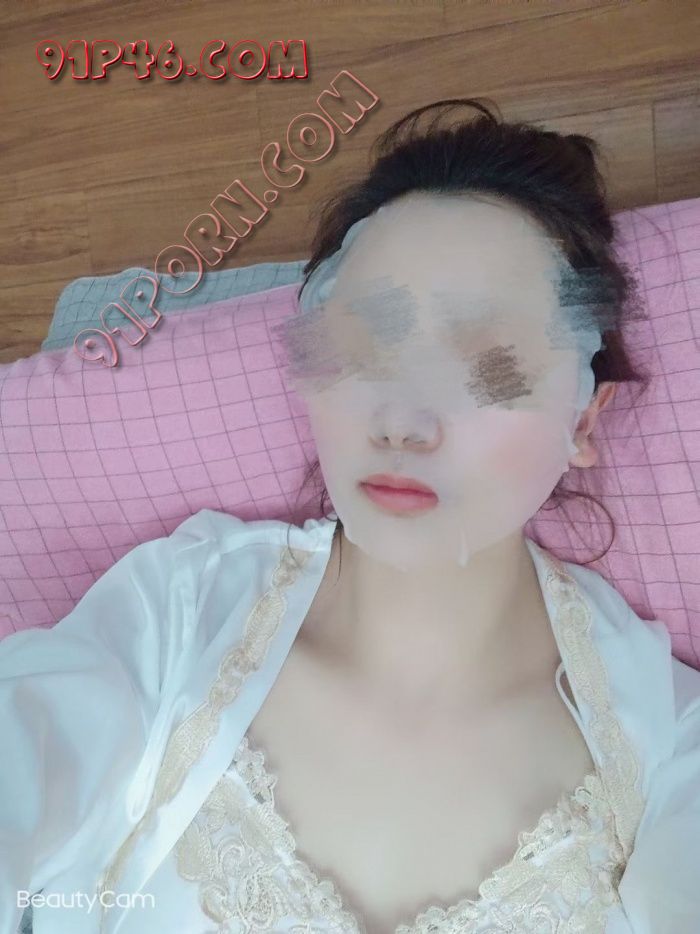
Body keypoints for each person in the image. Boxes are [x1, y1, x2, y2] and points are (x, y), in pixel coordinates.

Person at [1, 98, 699, 934]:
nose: (401, 421)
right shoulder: (176, 619)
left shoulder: (671, 749)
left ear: (584, 419)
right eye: (363, 350)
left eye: (489, 368)